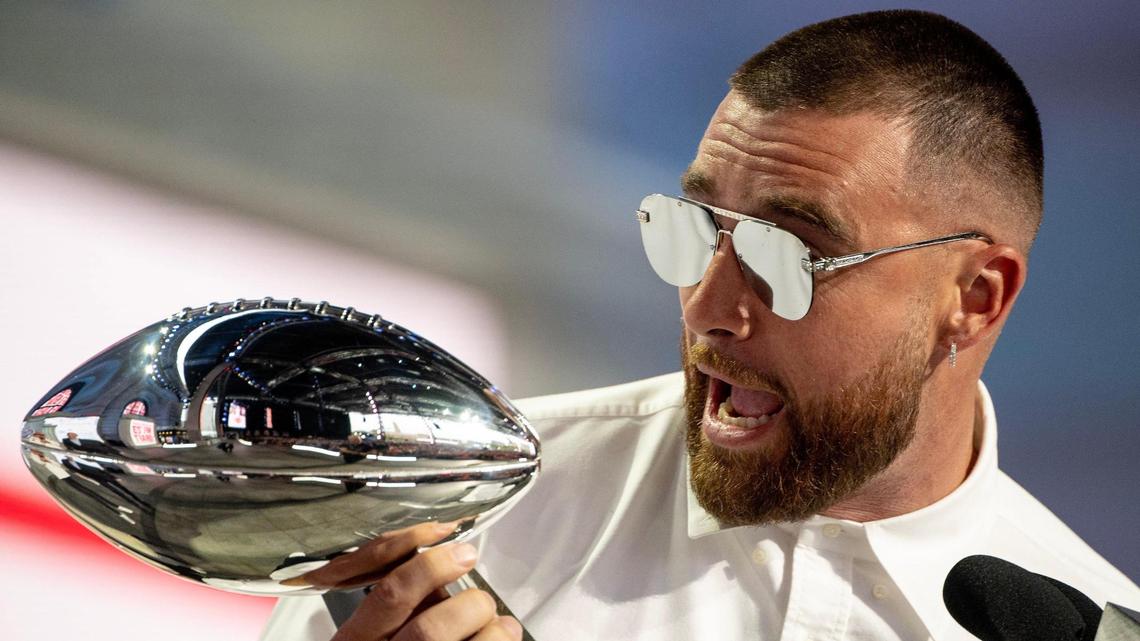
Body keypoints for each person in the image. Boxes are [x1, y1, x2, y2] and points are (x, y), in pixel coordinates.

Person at [261, 10, 1140, 640]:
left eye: (791, 255)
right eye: (700, 230)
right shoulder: (459, 524)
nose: (708, 307)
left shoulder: (1086, 619)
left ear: (976, 297)